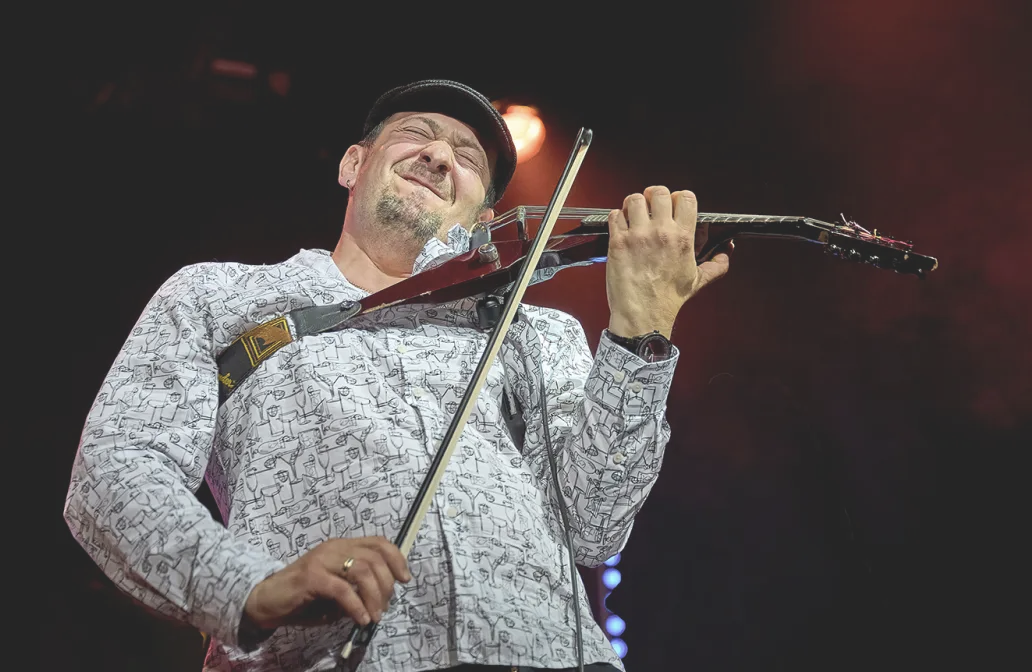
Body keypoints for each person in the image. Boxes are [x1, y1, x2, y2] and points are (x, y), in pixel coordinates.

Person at [63, 79, 731, 672]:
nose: (440, 156)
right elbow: (118, 468)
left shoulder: (533, 332)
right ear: (354, 163)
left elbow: (594, 523)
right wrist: (250, 586)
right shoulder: (218, 296)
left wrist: (638, 338)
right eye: (417, 135)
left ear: (485, 219)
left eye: (468, 160)